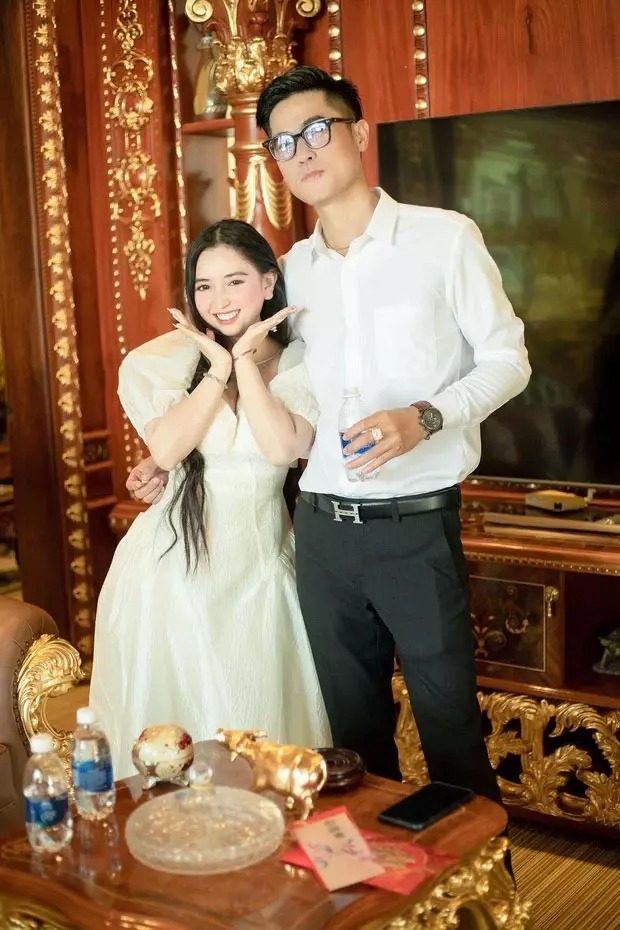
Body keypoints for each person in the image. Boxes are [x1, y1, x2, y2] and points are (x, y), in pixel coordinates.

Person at [128, 67, 530, 803]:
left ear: (359, 134)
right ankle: (371, 879)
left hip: (415, 527)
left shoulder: (443, 239)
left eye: (317, 129)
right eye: (283, 142)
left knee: (450, 732)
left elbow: (509, 360)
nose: (303, 150)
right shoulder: (287, 274)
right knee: (349, 747)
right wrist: (173, 465)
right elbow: (242, 378)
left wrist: (426, 416)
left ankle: (480, 879)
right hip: (318, 535)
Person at [89, 219, 331, 779]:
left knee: (260, 727)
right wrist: (217, 369)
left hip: (260, 573)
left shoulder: (301, 362)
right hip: (171, 572)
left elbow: (282, 447)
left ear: (268, 283)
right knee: (174, 737)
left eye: (234, 281)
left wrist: (244, 361)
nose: (218, 300)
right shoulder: (159, 362)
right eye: (203, 286)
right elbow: (168, 449)